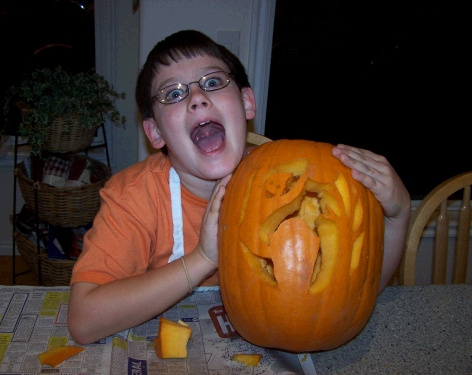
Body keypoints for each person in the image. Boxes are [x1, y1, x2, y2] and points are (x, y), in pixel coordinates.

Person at [67, 29, 411, 345]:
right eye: (173, 93)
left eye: (213, 82)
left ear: (247, 102)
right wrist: (203, 258)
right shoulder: (135, 197)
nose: (198, 98)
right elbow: (84, 321)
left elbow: (350, 294)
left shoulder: (292, 181)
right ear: (155, 133)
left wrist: (397, 215)